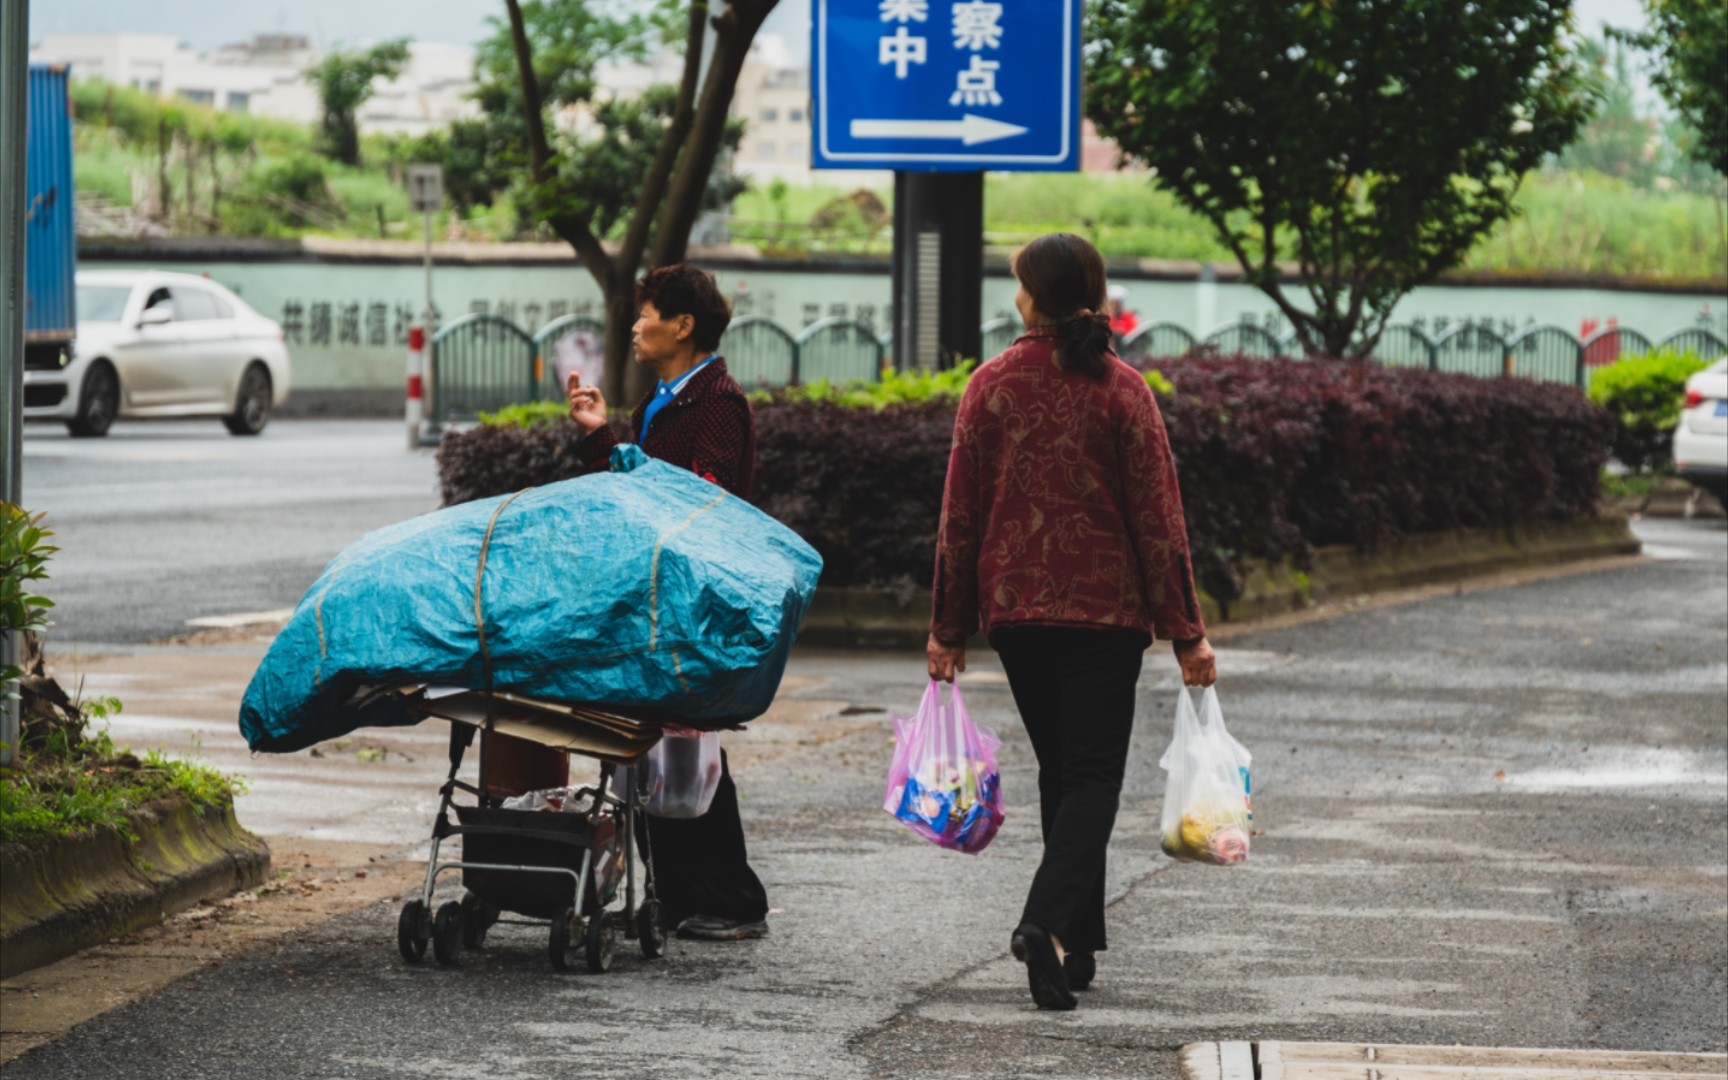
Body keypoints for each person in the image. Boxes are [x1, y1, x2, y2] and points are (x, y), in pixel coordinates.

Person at [926, 233, 1217, 1011]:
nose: (1012, 294)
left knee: (1065, 771)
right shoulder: (1122, 390)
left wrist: (948, 626)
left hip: (1016, 613)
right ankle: (1044, 923)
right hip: (1104, 613)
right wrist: (1186, 628)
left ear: (1034, 295)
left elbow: (961, 516)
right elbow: (1160, 519)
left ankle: (1073, 944)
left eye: (1018, 282)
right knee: (1091, 776)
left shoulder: (989, 386)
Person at [560, 262, 770, 942]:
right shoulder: (668, 396)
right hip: (654, 596)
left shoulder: (717, 402)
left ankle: (732, 900)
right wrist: (600, 433)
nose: (635, 324)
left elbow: (694, 496)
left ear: (684, 325)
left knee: (687, 747)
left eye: (647, 313)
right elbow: (637, 491)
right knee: (659, 747)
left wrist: (617, 453)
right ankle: (679, 897)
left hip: (687, 598)